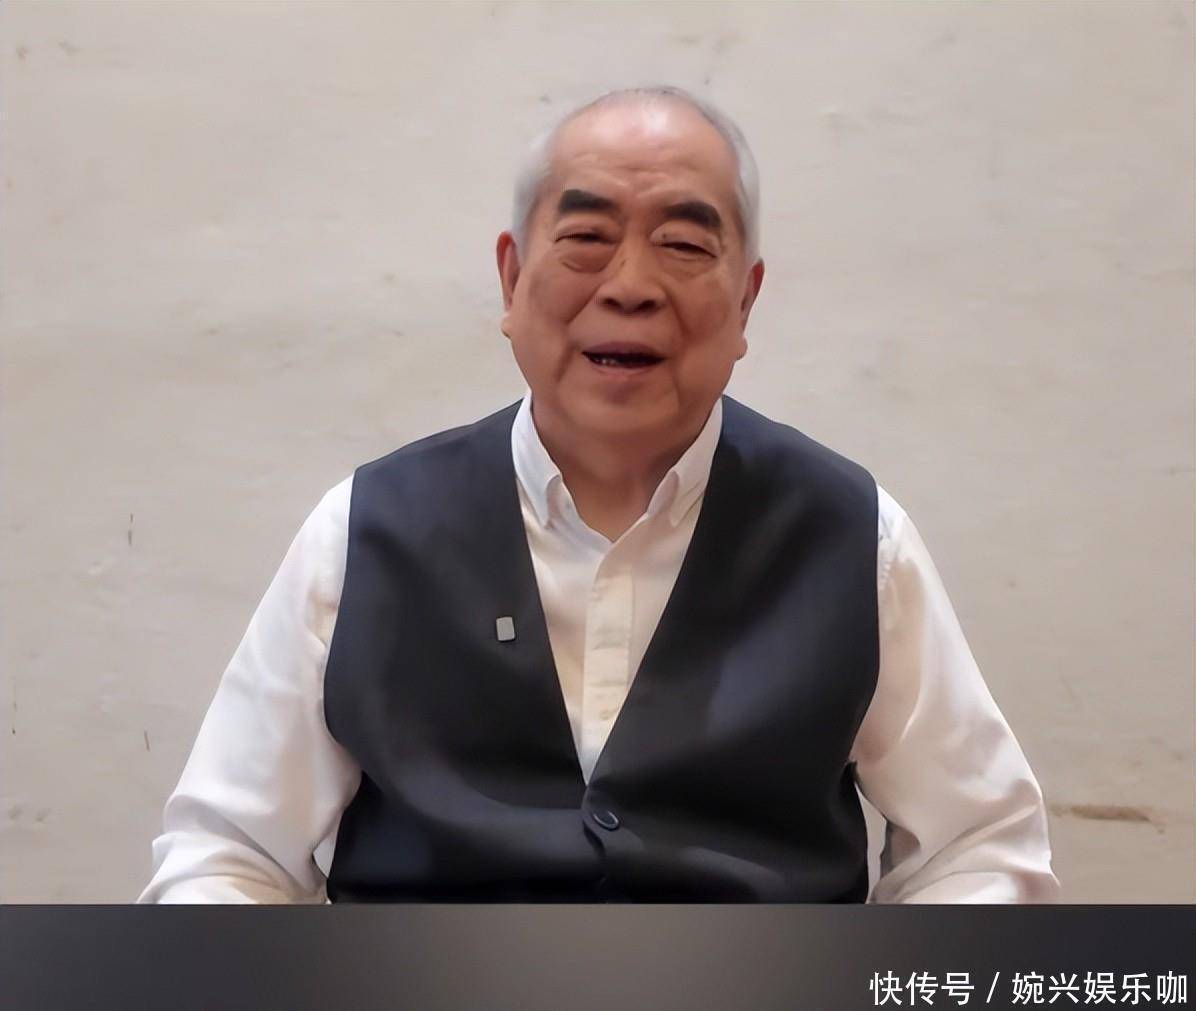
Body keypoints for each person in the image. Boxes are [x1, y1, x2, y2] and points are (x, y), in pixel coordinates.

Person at [139, 85, 1060, 904]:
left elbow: (977, 848)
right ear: (511, 279)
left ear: (746, 301)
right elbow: (231, 852)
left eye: (683, 244)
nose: (630, 286)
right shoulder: (367, 531)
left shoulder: (853, 538)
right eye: (585, 239)